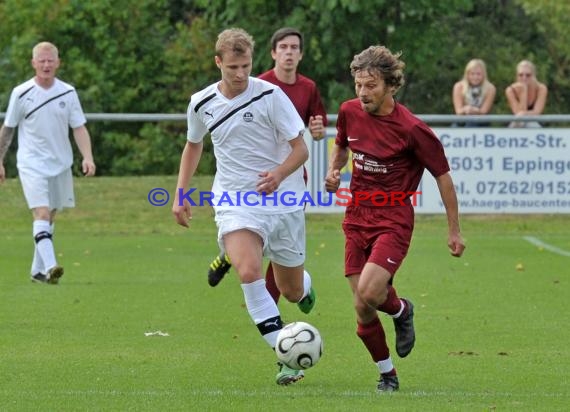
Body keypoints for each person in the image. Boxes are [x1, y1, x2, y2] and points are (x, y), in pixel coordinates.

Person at [172, 28, 316, 385]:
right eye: (232, 66)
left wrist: (280, 174)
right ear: (218, 62)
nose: (239, 74)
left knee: (292, 291)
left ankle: (305, 285)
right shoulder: (201, 102)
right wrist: (181, 193)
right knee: (249, 271)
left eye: (246, 66)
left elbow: (302, 149)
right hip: (235, 200)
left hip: (284, 201)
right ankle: (286, 356)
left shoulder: (271, 95)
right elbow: (193, 145)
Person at [324, 45, 465, 393]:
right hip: (356, 215)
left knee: (372, 292)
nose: (362, 92)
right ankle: (388, 374)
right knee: (362, 307)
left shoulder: (413, 129)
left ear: (390, 85)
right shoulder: (348, 112)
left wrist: (454, 230)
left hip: (393, 218)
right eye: (358, 85)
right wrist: (334, 170)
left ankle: (401, 310)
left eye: (370, 85)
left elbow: (443, 177)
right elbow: (341, 144)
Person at [206, 27, 327, 307]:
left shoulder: (308, 87)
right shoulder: (255, 85)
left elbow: (316, 130)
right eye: (283, 47)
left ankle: (293, 288)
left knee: (281, 252)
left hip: (292, 178)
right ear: (273, 53)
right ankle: (267, 307)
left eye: (294, 48)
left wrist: (319, 131)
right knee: (255, 237)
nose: (289, 52)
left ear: (301, 54)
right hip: (255, 182)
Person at [0, 41, 96, 284]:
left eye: (50, 60)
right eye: (41, 60)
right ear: (33, 63)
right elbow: (8, 129)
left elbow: (79, 127)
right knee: (41, 213)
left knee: (49, 217)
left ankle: (37, 271)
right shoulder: (21, 93)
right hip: (31, 164)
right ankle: (52, 265)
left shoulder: (68, 92)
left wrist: (87, 157)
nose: (45, 65)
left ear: (57, 63)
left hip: (60, 164)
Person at [452, 58, 496, 126]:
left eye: (478, 74)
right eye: (472, 74)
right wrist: (466, 109)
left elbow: (484, 111)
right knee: (456, 126)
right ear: (467, 74)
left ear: (483, 74)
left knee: (471, 124)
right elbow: (458, 111)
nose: (475, 77)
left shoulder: (490, 88)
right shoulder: (459, 86)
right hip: (462, 119)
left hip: (481, 121)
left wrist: (473, 110)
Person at [505, 59, 548, 128]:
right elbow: (519, 116)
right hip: (516, 124)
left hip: (535, 123)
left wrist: (523, 113)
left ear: (534, 75)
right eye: (520, 75)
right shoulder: (510, 90)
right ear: (516, 76)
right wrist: (523, 91)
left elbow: (536, 112)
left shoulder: (541, 88)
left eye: (528, 75)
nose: (524, 78)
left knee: (532, 125)